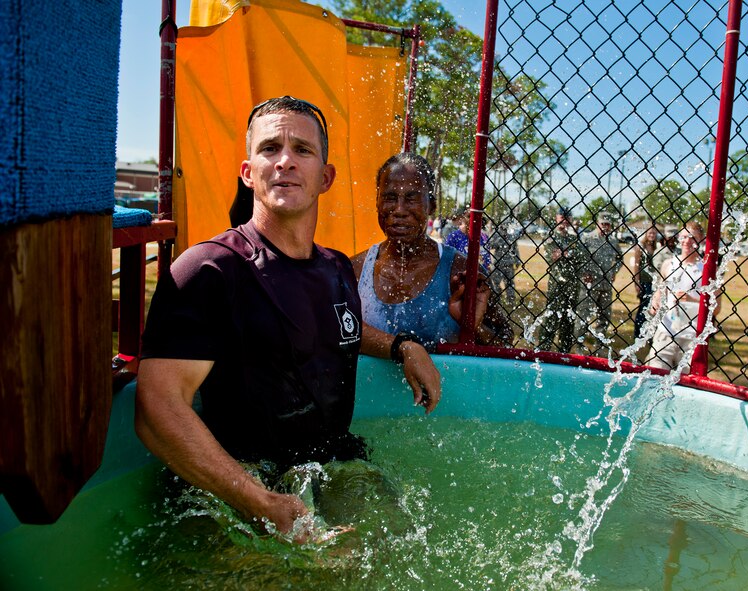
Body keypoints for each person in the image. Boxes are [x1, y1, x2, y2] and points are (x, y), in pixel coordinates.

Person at [135, 97, 441, 541]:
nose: (285, 161)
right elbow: (156, 408)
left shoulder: (336, 268)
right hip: (240, 487)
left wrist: (402, 347)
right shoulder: (209, 270)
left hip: (336, 464)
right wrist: (257, 501)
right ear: (248, 171)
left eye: (302, 150)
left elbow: (334, 336)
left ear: (326, 176)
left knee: (399, 548)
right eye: (270, 148)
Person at [352, 153, 512, 350]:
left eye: (411, 199)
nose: (399, 209)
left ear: (431, 206)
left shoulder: (460, 273)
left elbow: (505, 344)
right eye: (390, 198)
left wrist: (472, 327)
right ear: (377, 202)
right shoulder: (355, 270)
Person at [646, 221, 719, 372]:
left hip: (692, 336)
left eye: (692, 237)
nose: (687, 241)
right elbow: (659, 292)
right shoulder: (669, 264)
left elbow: (716, 308)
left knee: (687, 380)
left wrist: (692, 299)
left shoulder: (707, 270)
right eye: (684, 237)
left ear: (701, 240)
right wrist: (655, 302)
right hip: (666, 332)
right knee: (653, 374)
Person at [538, 208, 590, 353]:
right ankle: (543, 350)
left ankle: (564, 352)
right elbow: (551, 256)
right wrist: (567, 254)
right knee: (551, 318)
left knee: (569, 320)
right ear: (557, 218)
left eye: (568, 217)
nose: (565, 220)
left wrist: (566, 253)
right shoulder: (550, 236)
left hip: (573, 285)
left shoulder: (575, 238)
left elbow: (582, 257)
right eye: (562, 217)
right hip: (556, 283)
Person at [574, 212, 623, 355]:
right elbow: (578, 258)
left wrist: (614, 271)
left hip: (606, 284)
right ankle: (579, 344)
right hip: (590, 284)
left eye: (608, 224)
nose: (605, 227)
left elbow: (620, 258)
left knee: (604, 316)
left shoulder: (613, 241)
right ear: (597, 224)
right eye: (603, 224)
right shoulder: (587, 238)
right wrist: (584, 273)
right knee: (584, 315)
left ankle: (600, 344)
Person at [631, 224, 660, 339]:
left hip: (654, 282)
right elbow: (636, 266)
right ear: (646, 234)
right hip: (644, 281)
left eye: (654, 233)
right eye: (650, 233)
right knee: (643, 307)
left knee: (652, 308)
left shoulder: (656, 247)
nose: (652, 235)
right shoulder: (640, 247)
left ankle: (649, 332)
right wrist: (637, 283)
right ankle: (637, 333)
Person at [487, 218, 524, 306]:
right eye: (505, 224)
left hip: (509, 263)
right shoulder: (496, 234)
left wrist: (518, 260)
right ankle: (497, 300)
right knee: (496, 283)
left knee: (510, 283)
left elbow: (515, 249)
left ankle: (510, 301)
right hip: (498, 264)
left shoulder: (511, 234)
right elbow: (489, 245)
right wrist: (498, 242)